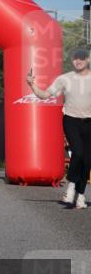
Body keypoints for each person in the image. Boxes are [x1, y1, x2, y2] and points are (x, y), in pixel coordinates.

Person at [27, 47, 91, 209]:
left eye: (82, 58)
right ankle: (71, 186)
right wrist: (32, 85)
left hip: (89, 122)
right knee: (78, 152)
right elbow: (45, 95)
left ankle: (80, 196)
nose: (78, 61)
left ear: (88, 59)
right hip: (71, 120)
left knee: (86, 160)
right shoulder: (64, 79)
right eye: (75, 58)